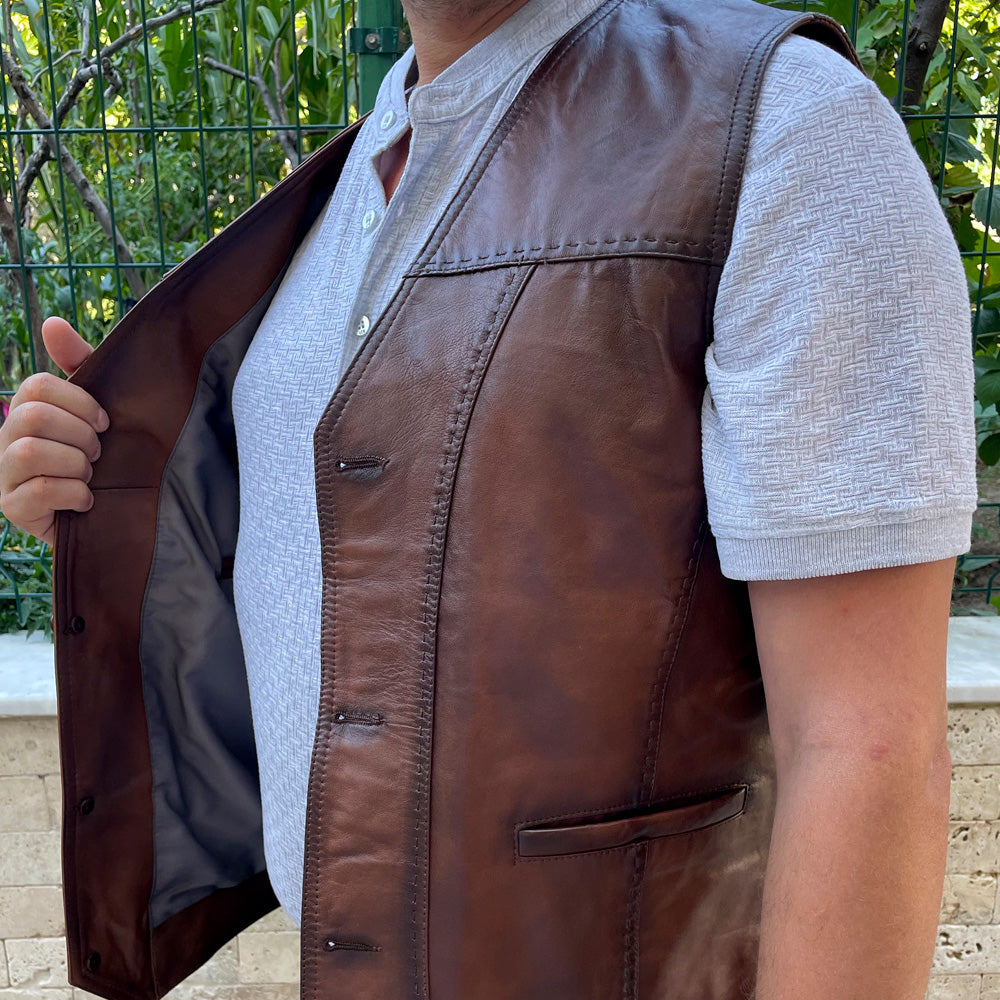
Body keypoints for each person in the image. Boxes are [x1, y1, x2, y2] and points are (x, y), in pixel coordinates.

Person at [0, 0, 979, 997]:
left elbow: (864, 744)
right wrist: (108, 487)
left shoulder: (785, 125)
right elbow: (351, 525)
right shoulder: (354, 178)